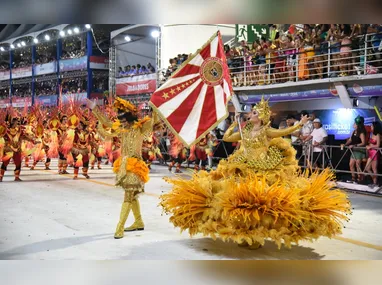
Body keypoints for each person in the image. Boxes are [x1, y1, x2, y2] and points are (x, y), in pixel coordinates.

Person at [161, 97, 351, 250]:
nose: (250, 114)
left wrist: (299, 124)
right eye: (251, 112)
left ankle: (258, 233)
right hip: (242, 164)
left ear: (261, 117)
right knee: (237, 199)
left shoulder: (267, 131)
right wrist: (234, 124)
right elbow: (227, 138)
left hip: (264, 167)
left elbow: (284, 131)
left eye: (254, 112)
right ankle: (243, 230)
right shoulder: (246, 130)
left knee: (260, 201)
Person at [87, 97, 160, 239]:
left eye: (124, 119)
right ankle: (139, 221)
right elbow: (107, 123)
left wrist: (155, 107)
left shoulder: (140, 128)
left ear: (130, 117)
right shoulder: (122, 129)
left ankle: (119, 228)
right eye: (120, 120)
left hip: (136, 167)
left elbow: (153, 121)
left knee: (128, 196)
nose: (122, 123)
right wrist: (95, 109)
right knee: (131, 196)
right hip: (124, 166)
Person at [342, 116, 367, 183]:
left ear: (358, 125)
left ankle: (360, 179)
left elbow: (363, 143)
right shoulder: (353, 132)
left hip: (360, 150)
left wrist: (354, 145)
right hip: (354, 150)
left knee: (357, 165)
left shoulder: (361, 133)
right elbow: (350, 140)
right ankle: (353, 178)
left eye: (355, 124)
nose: (353, 125)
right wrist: (345, 144)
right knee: (351, 164)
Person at [365, 121, 381, 188]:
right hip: (370, 152)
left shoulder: (378, 135)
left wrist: (370, 146)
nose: (371, 127)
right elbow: (370, 143)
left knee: (374, 168)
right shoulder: (372, 134)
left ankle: (375, 183)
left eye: (372, 126)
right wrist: (368, 146)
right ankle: (374, 180)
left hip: (375, 153)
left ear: (375, 127)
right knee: (367, 168)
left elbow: (378, 145)